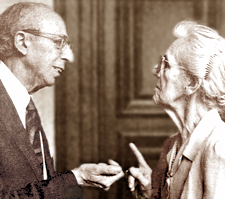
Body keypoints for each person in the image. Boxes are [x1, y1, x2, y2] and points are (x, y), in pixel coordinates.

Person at [0, 2, 124, 198]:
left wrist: (78, 178)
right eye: (58, 42)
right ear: (22, 42)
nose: (68, 56)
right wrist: (75, 178)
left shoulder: (24, 106)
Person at [127, 20, 225, 198]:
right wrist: (151, 191)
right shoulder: (171, 147)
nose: (156, 70)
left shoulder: (219, 148)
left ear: (192, 83)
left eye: (166, 64)